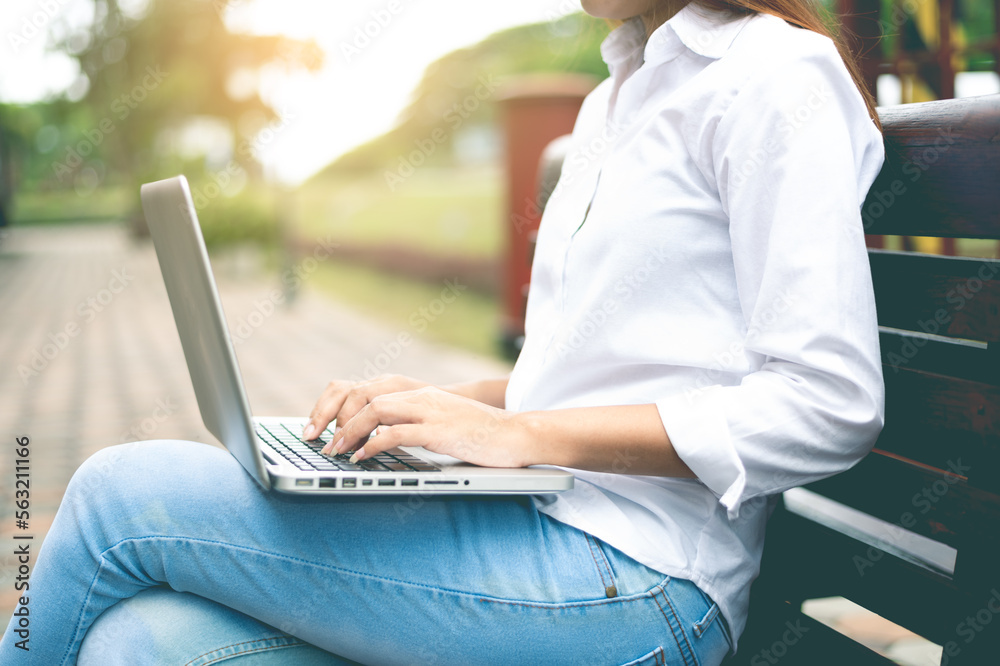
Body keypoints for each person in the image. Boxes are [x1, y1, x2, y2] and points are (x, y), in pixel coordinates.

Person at [1, 0, 886, 663]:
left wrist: (518, 433)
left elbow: (829, 402)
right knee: (137, 643)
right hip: (533, 522)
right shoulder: (613, 100)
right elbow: (584, 371)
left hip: (643, 585)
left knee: (119, 496)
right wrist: (442, 407)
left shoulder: (774, 76)